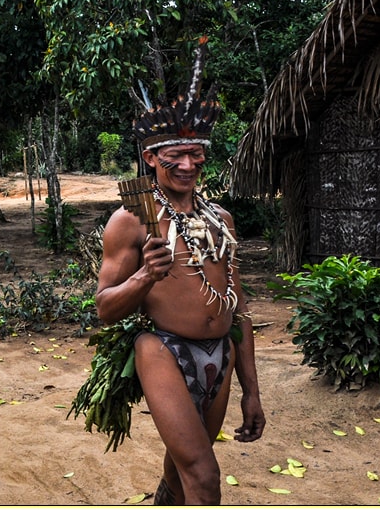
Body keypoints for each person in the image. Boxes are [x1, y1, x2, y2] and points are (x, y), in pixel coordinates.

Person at [95, 42, 265, 505]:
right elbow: (104, 308)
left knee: (180, 470)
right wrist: (144, 277)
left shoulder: (221, 220)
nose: (188, 165)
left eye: (195, 154)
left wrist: (252, 390)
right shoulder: (130, 220)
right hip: (164, 352)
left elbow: (240, 308)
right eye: (176, 155)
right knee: (205, 477)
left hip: (220, 355)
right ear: (150, 158)